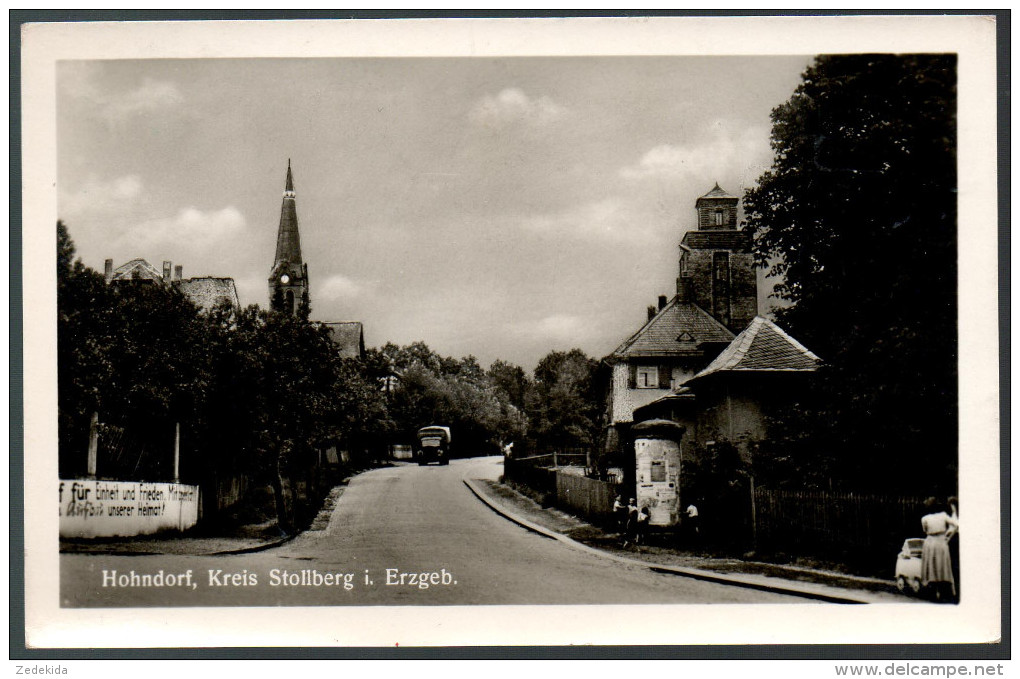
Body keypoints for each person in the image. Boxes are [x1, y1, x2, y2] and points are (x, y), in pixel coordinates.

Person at [921, 496, 959, 602]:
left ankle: (934, 591)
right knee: (942, 566)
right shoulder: (943, 515)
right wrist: (948, 538)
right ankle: (942, 592)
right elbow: (956, 525)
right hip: (942, 542)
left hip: (930, 542)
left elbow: (925, 530)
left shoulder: (925, 518)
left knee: (932, 566)